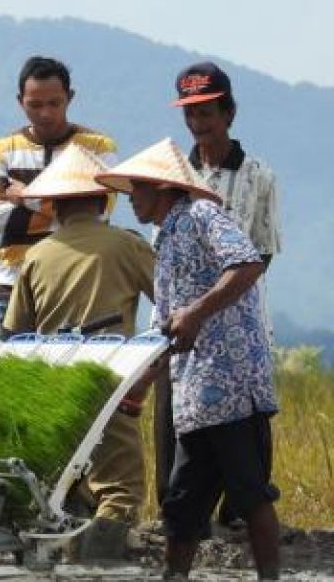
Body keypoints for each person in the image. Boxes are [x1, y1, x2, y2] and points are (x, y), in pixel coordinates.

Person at [96, 138, 280, 581]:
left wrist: (198, 312)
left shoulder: (201, 216)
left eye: (136, 190)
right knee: (182, 499)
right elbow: (167, 329)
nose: (131, 200)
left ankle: (271, 578)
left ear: (160, 188)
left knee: (250, 491)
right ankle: (174, 576)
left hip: (232, 383)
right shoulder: (165, 240)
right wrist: (137, 385)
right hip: (195, 394)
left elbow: (247, 263)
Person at [2, 144, 156, 560]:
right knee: (119, 488)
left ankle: (68, 559)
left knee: (63, 485)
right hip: (112, 386)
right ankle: (98, 564)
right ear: (104, 199)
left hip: (56, 391)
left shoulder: (36, 256)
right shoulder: (126, 245)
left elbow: (15, 334)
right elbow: (171, 301)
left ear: (52, 203)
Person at [154, 62, 283, 517]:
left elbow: (262, 252)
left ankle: (242, 516)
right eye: (190, 115)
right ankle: (178, 517)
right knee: (177, 421)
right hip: (182, 323)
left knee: (245, 428)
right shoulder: (172, 175)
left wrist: (219, 301)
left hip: (238, 324)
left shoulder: (257, 176)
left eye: (206, 113)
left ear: (228, 113)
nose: (198, 124)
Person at [0, 56, 116, 336]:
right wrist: (67, 204)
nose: (45, 114)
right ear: (21, 101)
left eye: (54, 103)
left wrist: (28, 198)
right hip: (15, 282)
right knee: (14, 371)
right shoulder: (1, 150)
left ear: (70, 98)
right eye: (35, 105)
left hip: (79, 280)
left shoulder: (98, 147)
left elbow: (99, 213)